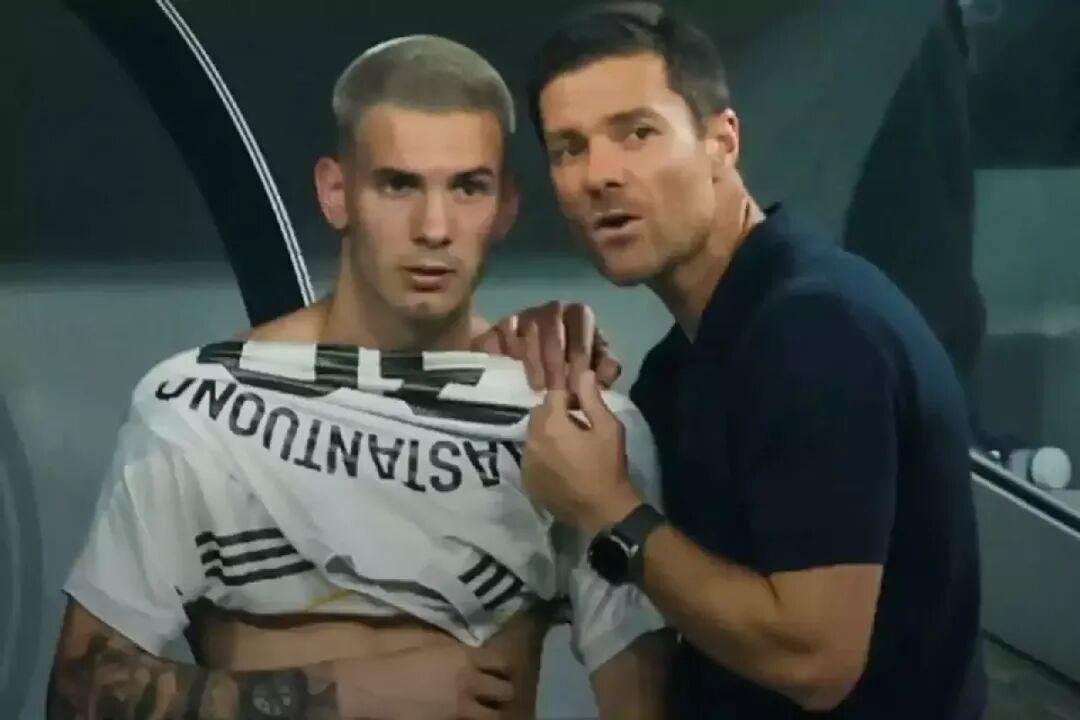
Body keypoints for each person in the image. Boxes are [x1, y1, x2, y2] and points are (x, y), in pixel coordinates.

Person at [48, 35, 670, 720]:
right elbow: (78, 695)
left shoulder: (575, 423)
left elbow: (641, 707)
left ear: (505, 206)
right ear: (336, 192)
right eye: (399, 185)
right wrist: (350, 692)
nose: (434, 228)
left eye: (468, 187)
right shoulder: (199, 407)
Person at [491, 3, 986, 718]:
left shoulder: (815, 330)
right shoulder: (686, 363)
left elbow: (815, 661)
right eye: (570, 148)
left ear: (722, 140)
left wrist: (607, 505)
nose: (599, 174)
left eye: (637, 133)